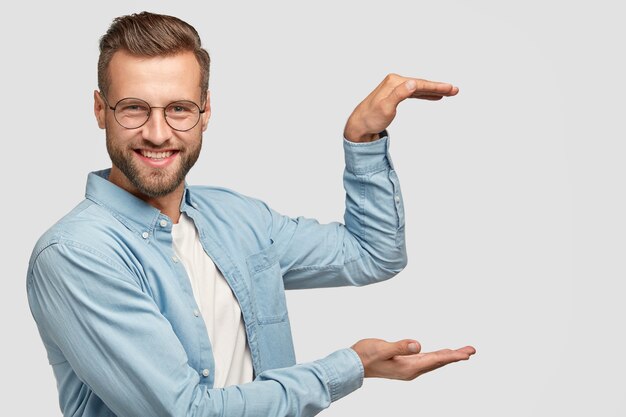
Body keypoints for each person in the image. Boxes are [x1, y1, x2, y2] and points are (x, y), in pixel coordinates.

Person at [26, 11, 475, 417]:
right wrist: (349, 367)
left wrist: (363, 138)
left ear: (206, 111)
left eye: (179, 109)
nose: (158, 133)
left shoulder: (236, 217)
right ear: (101, 110)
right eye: (134, 109)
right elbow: (185, 414)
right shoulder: (77, 254)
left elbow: (373, 254)